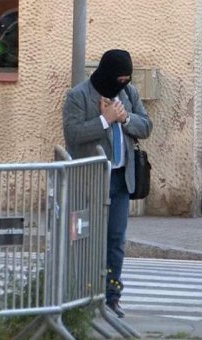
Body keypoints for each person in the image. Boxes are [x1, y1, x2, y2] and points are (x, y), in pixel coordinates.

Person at [63, 49, 153, 318]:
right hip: (90, 180)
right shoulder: (78, 96)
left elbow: (146, 126)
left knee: (116, 239)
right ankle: (84, 294)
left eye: (127, 79)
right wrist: (105, 119)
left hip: (121, 178)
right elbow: (73, 133)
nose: (122, 84)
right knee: (87, 239)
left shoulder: (129, 94)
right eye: (119, 79)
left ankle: (112, 295)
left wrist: (125, 118)